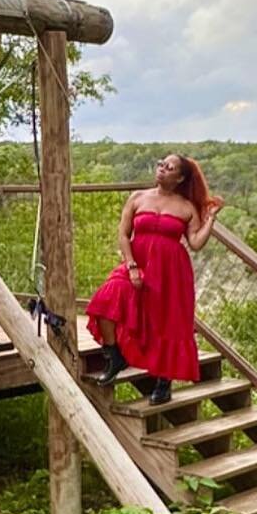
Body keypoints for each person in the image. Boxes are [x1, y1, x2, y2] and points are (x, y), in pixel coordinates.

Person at [86, 154, 223, 405]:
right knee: (106, 299)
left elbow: (195, 243)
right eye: (160, 164)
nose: (161, 170)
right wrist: (131, 266)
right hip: (137, 262)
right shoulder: (138, 197)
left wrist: (210, 218)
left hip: (172, 271)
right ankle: (114, 355)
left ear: (179, 177)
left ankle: (164, 381)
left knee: (165, 321)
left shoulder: (186, 207)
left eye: (168, 168)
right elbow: (123, 233)